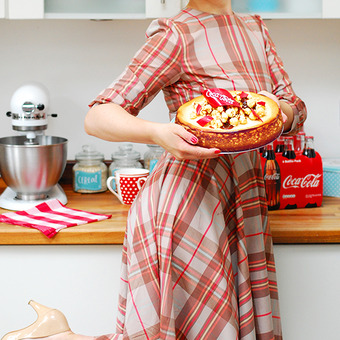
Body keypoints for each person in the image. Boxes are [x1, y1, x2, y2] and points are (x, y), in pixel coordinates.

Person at [2, 0, 306, 339]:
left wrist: (272, 110)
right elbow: (98, 116)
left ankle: (55, 334)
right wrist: (159, 133)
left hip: (243, 197)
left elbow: (293, 106)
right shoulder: (176, 33)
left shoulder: (255, 28)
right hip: (190, 204)